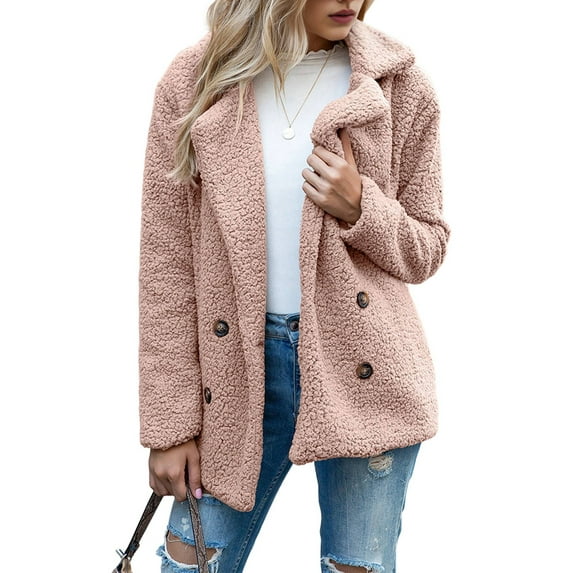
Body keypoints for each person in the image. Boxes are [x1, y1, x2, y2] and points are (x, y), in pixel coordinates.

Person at [138, 0, 450, 571]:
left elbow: (428, 246)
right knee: (191, 559)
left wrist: (362, 207)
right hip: (235, 373)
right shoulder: (195, 82)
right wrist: (170, 425)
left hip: (366, 371)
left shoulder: (399, 87)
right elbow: (166, 267)